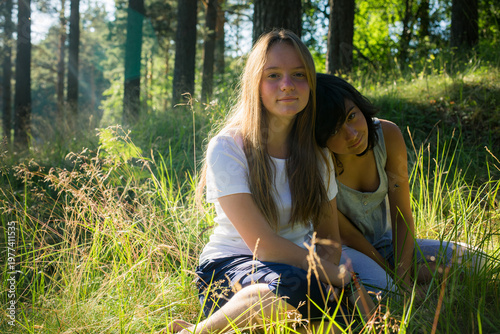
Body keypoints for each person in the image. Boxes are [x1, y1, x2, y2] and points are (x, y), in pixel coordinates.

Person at [165, 31, 373, 334]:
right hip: (231, 265)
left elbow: (330, 240)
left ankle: (248, 322)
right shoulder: (228, 146)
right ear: (255, 84)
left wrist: (330, 281)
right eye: (273, 75)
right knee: (289, 287)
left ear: (310, 83)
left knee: (336, 307)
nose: (287, 84)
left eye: (298, 74)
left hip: (299, 271)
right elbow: (262, 247)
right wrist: (336, 275)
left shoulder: (317, 155)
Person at [315, 73, 483, 297]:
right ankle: (406, 288)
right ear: (321, 136)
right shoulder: (320, 161)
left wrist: (402, 275)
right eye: (335, 130)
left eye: (352, 116)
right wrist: (393, 277)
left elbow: (401, 213)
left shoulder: (387, 135)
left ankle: (411, 283)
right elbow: (347, 236)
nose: (352, 134)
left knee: (478, 261)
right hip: (346, 251)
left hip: (387, 243)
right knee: (386, 291)